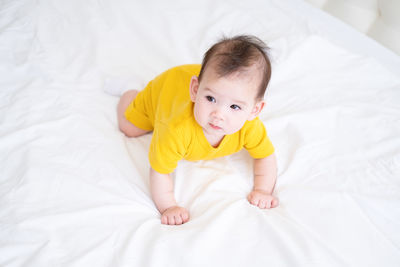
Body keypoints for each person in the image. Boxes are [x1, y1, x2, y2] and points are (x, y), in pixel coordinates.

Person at [117, 35, 278, 225]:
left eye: (235, 107)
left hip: (201, 80)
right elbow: (160, 171)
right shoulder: (176, 130)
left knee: (221, 89)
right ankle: (130, 90)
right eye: (210, 99)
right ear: (195, 89)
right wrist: (169, 206)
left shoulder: (250, 127)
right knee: (129, 128)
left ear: (254, 110)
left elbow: (265, 156)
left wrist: (262, 190)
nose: (218, 114)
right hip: (166, 89)